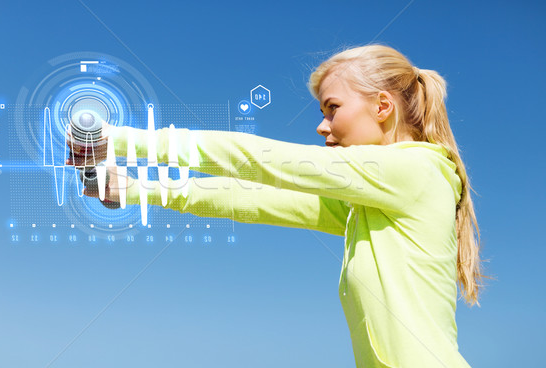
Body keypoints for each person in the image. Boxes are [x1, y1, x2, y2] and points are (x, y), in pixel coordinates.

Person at [68, 44, 484, 367]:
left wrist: (122, 141)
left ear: (381, 106)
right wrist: (139, 187)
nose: (322, 126)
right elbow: (256, 198)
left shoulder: (417, 170)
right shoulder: (369, 205)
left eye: (332, 109)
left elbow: (264, 161)